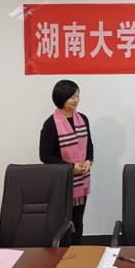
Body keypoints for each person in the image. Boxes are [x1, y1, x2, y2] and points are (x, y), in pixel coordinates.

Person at [39, 80, 93, 245]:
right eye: (72, 97)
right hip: (62, 182)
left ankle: (77, 252)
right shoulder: (51, 124)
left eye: (77, 96)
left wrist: (89, 161)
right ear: (61, 98)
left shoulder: (83, 119)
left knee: (78, 221)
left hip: (81, 181)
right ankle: (61, 254)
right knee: (62, 223)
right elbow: (45, 156)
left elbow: (89, 145)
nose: (77, 100)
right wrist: (70, 168)